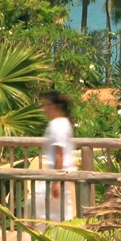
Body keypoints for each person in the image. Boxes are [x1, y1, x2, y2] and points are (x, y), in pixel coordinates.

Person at [30, 90, 78, 222]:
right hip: (58, 174)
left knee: (52, 213)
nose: (44, 109)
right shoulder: (62, 123)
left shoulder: (58, 125)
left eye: (46, 105)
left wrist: (56, 182)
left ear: (54, 106)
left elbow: (59, 154)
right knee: (56, 212)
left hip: (57, 174)